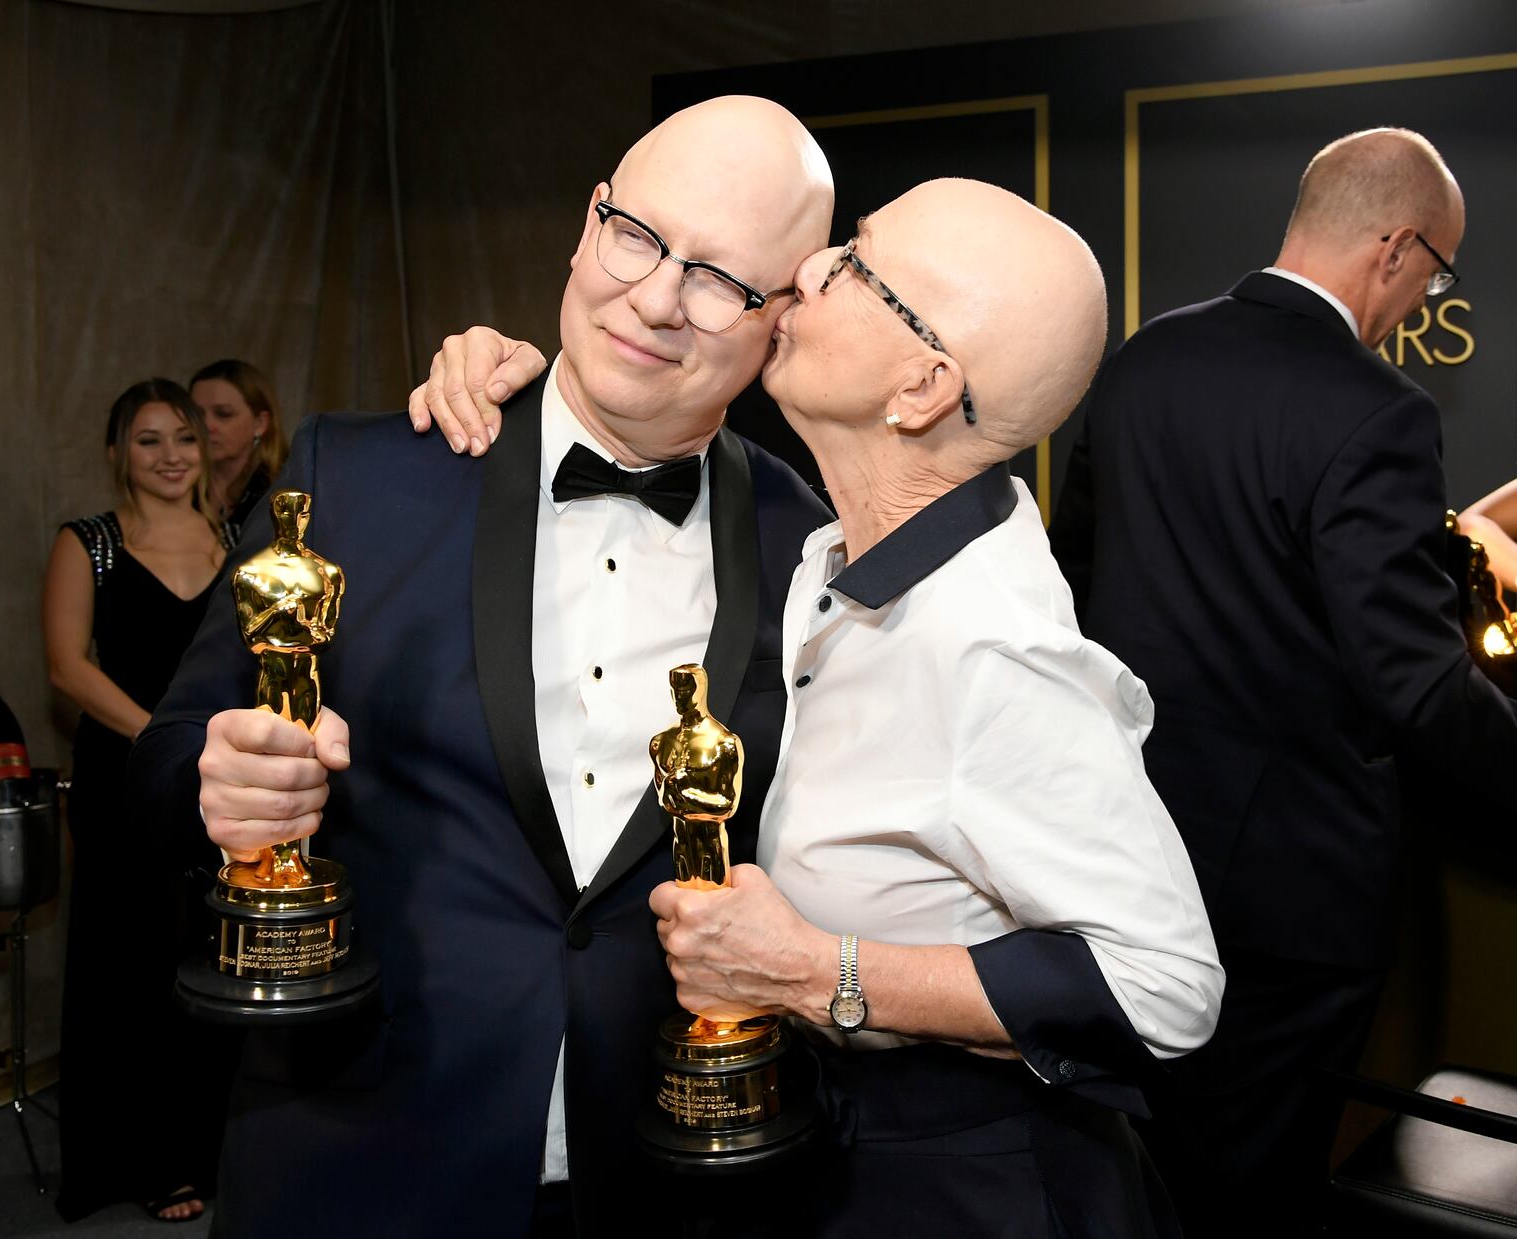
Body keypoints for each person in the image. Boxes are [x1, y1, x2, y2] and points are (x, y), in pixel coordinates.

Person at [457, 179, 1225, 1237]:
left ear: (918, 387)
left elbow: (1166, 986)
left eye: (855, 262)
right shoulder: (834, 549)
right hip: (841, 1166)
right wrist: (519, 378)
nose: (809, 269)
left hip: (975, 1195)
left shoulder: (987, 644)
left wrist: (818, 972)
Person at [130, 96, 834, 1238]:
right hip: (361, 1154)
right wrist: (215, 786)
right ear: (585, 223)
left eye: (719, 278)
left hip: (666, 1174)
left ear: (781, 318)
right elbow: (164, 758)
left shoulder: (808, 546)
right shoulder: (361, 475)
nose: (654, 297)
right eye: (638, 236)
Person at [1049, 127, 1517, 1237]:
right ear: (1397, 249)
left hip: (1122, 851)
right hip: (1291, 901)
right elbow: (1411, 684)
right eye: (1436, 271)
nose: (1421, 300)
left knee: (1144, 1166)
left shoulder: (1143, 359)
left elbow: (1070, 582)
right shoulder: (1377, 410)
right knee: (1253, 1187)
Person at [43, 379, 229, 1223]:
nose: (169, 456)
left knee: (215, 957)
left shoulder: (234, 536)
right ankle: (141, 1160)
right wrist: (164, 739)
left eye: (183, 438)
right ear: (119, 451)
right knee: (131, 963)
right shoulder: (91, 544)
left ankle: (214, 1145)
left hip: (217, 779)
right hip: (125, 778)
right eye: (148, 440)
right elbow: (67, 667)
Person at [189, 358, 288, 548]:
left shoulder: (281, 491)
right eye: (197, 415)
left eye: (223, 414)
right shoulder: (179, 485)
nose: (207, 426)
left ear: (260, 423)